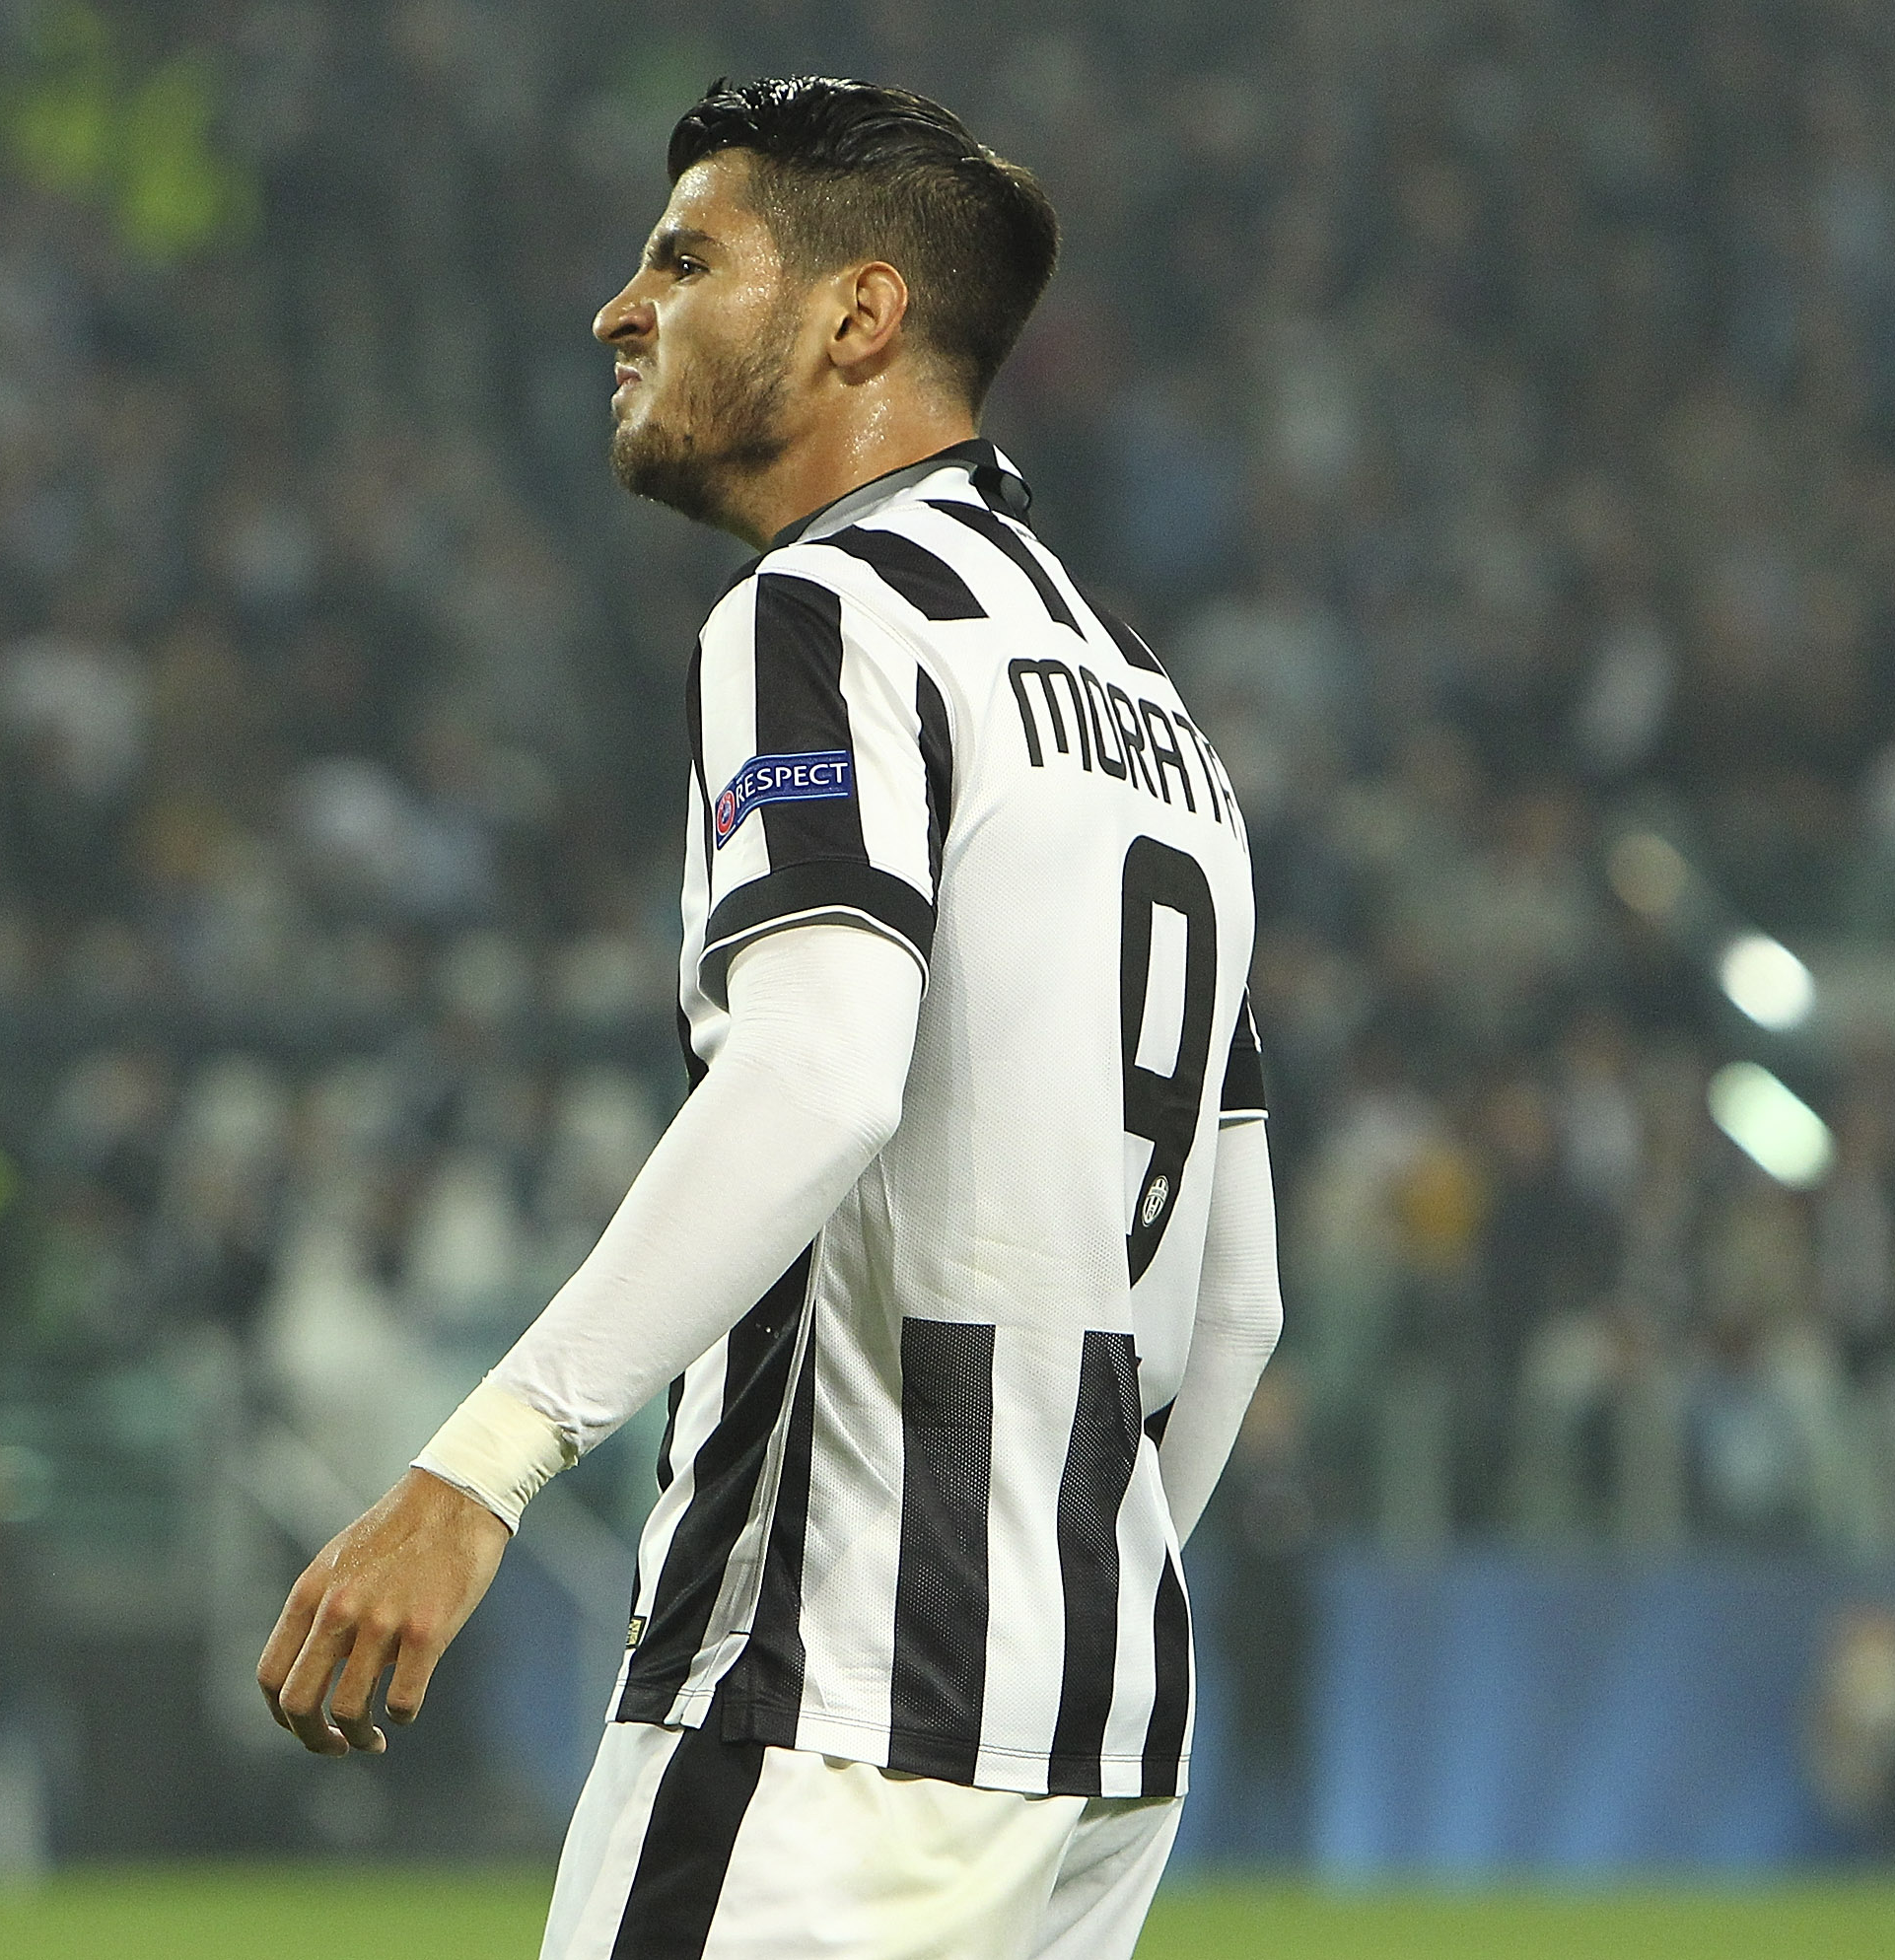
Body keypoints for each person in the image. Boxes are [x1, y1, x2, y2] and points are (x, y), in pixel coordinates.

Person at [258, 77, 1283, 1959]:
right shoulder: (1163, 727)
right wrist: (1054, 1586)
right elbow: (1237, 1305)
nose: (619, 309)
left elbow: (818, 1072)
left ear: (857, 316)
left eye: (684, 260)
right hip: (1094, 1732)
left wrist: (479, 1470)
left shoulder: (826, 611)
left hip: (831, 1700)